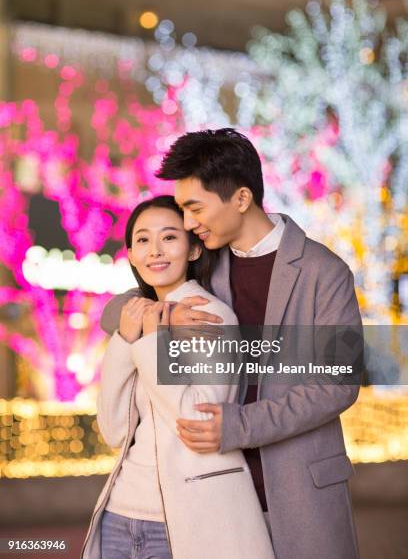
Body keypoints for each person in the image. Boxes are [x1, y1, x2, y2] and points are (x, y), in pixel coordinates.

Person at [100, 128, 362, 559]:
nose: (187, 224)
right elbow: (118, 309)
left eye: (194, 208)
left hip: (299, 485)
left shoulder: (323, 271)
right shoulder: (209, 260)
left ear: (241, 199)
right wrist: (164, 313)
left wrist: (241, 425)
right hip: (217, 490)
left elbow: (337, 384)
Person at [81, 195, 275, 559]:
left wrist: (154, 339)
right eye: (143, 240)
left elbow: (199, 421)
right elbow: (113, 430)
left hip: (189, 518)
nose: (155, 250)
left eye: (169, 237)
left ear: (193, 250)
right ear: (132, 254)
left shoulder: (210, 317)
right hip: (119, 514)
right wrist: (126, 340)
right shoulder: (136, 319)